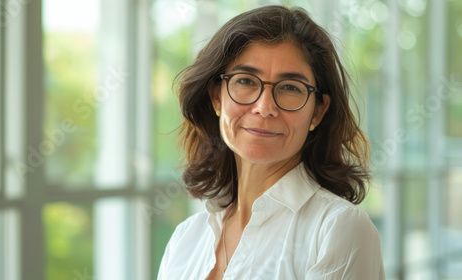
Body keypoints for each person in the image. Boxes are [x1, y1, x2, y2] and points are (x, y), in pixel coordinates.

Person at [158, 5, 384, 280]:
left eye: (290, 87)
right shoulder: (186, 238)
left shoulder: (336, 228)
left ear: (318, 111)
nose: (264, 107)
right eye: (245, 80)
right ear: (217, 97)